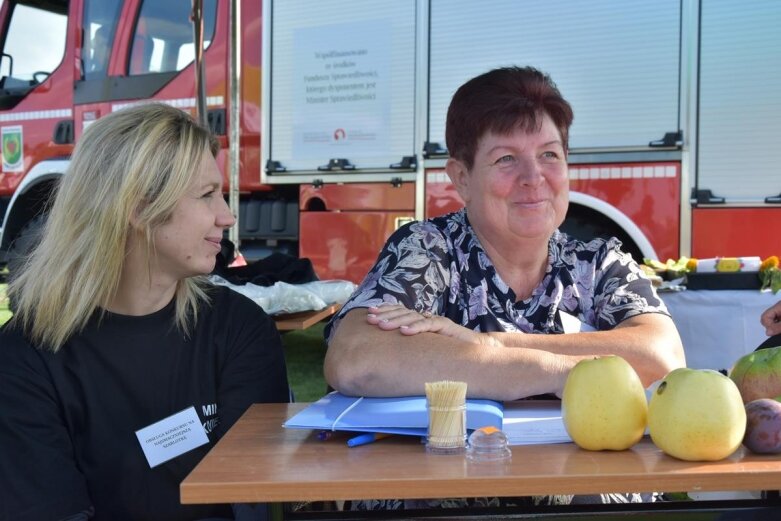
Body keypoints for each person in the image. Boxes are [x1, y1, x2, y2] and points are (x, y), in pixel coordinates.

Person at [322, 64, 686, 511]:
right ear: (460, 178)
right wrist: (558, 373)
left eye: (550, 155)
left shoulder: (598, 261)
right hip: (448, 500)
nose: (534, 177)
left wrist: (487, 346)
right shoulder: (429, 250)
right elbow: (357, 359)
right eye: (506, 159)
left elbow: (661, 358)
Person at [0, 103, 290, 521]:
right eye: (207, 194)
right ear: (137, 208)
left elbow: (251, 497)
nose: (226, 216)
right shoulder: (25, 359)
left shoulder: (238, 329)